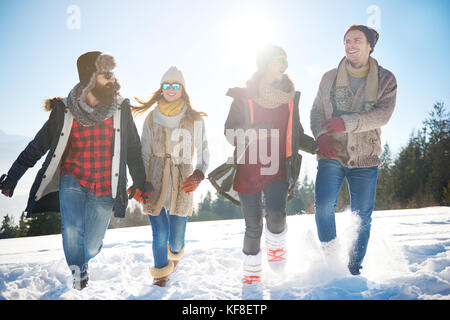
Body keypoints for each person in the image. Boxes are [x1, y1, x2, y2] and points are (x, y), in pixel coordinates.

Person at [0, 51, 151, 290]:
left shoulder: (121, 109)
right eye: (106, 74)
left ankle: (83, 261)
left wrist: (140, 182)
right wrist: (13, 176)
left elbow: (133, 148)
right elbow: (38, 145)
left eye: (113, 73)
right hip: (73, 177)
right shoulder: (65, 109)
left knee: (92, 244)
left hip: (104, 183)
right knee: (71, 227)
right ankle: (78, 272)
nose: (113, 79)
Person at [223, 44, 317, 286]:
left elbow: (296, 134)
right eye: (279, 58)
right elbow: (229, 132)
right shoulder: (244, 96)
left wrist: (321, 148)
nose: (284, 62)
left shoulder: (289, 100)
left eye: (286, 58)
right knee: (253, 226)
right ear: (265, 63)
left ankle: (276, 246)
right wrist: (251, 131)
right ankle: (252, 272)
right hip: (248, 169)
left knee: (276, 215)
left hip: (277, 168)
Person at [310, 25, 397, 275]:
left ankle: (353, 267)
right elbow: (316, 112)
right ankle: (331, 262)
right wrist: (321, 137)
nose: (350, 44)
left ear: (370, 45)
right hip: (332, 152)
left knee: (362, 216)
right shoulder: (329, 77)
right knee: (324, 205)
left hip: (365, 157)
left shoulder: (386, 79)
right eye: (347, 40)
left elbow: (382, 115)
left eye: (357, 40)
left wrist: (345, 122)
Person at [130, 66, 210, 287]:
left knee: (175, 241)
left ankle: (173, 256)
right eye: (167, 85)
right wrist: (142, 183)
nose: (171, 89)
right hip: (154, 179)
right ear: (161, 88)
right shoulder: (151, 118)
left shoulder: (194, 119)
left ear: (182, 88)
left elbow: (204, 153)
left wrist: (198, 174)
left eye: (176, 85)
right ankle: (160, 277)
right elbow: (144, 153)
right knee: (160, 232)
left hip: (183, 181)